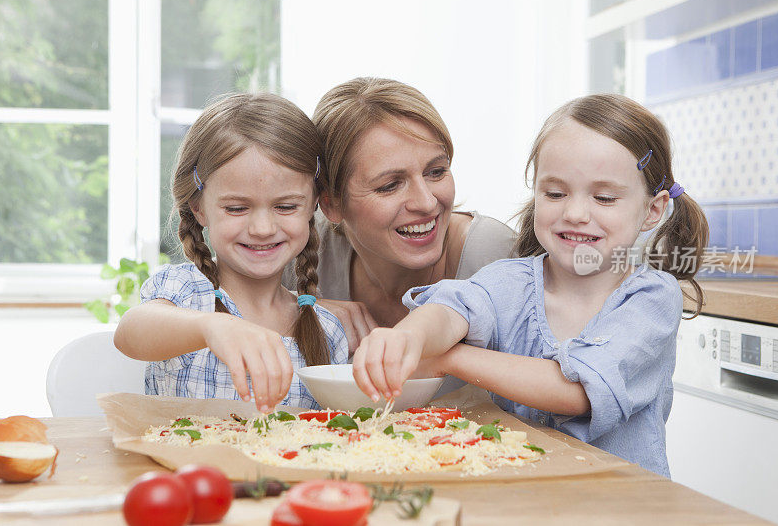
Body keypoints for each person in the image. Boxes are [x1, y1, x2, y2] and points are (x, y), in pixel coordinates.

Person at [350, 94, 709, 477]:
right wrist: (410, 337)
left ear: (652, 210)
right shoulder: (509, 280)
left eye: (604, 198)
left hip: (621, 508)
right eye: (555, 193)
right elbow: (451, 309)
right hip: (524, 501)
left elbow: (577, 393)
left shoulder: (651, 298)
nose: (574, 213)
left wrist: (446, 357)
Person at [114, 93, 348, 412]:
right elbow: (130, 332)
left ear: (313, 204)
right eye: (237, 208)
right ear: (199, 208)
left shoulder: (326, 329)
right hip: (182, 463)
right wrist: (211, 328)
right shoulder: (186, 293)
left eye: (286, 206)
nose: (262, 227)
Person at [282, 77, 516, 352]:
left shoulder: (493, 253)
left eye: (436, 172)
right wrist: (293, 307)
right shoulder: (305, 245)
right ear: (331, 204)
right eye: (390, 186)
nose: (427, 203)